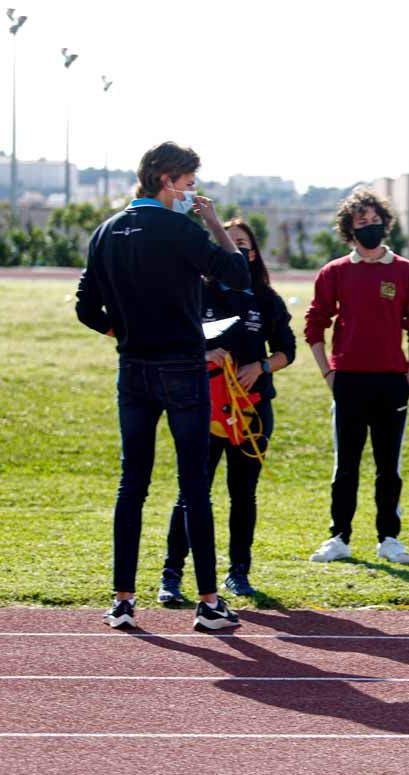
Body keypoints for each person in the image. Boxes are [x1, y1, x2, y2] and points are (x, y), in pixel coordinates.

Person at [74, 141, 249, 630]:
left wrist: (126, 333)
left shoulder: (106, 231)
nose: (192, 193)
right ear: (165, 179)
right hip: (181, 366)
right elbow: (237, 273)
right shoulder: (179, 227)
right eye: (189, 183)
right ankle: (210, 602)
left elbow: (87, 309)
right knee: (195, 487)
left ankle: (123, 600)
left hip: (133, 367)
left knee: (133, 484)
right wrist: (215, 223)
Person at [160, 219, 296, 602]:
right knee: (192, 493)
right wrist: (205, 355)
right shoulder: (195, 293)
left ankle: (239, 573)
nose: (238, 250)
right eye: (230, 244)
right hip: (202, 410)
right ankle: (171, 576)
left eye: (245, 245)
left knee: (243, 494)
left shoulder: (267, 300)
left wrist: (263, 366)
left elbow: (288, 349)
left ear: (253, 254)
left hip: (251, 411)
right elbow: (170, 346)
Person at [305, 190, 409, 564]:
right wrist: (328, 372)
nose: (369, 227)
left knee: (388, 468)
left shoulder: (407, 271)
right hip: (348, 381)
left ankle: (389, 538)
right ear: (349, 229)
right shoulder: (335, 272)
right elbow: (314, 324)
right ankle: (339, 537)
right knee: (346, 466)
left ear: (385, 223)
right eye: (360, 222)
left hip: (392, 382)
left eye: (374, 220)